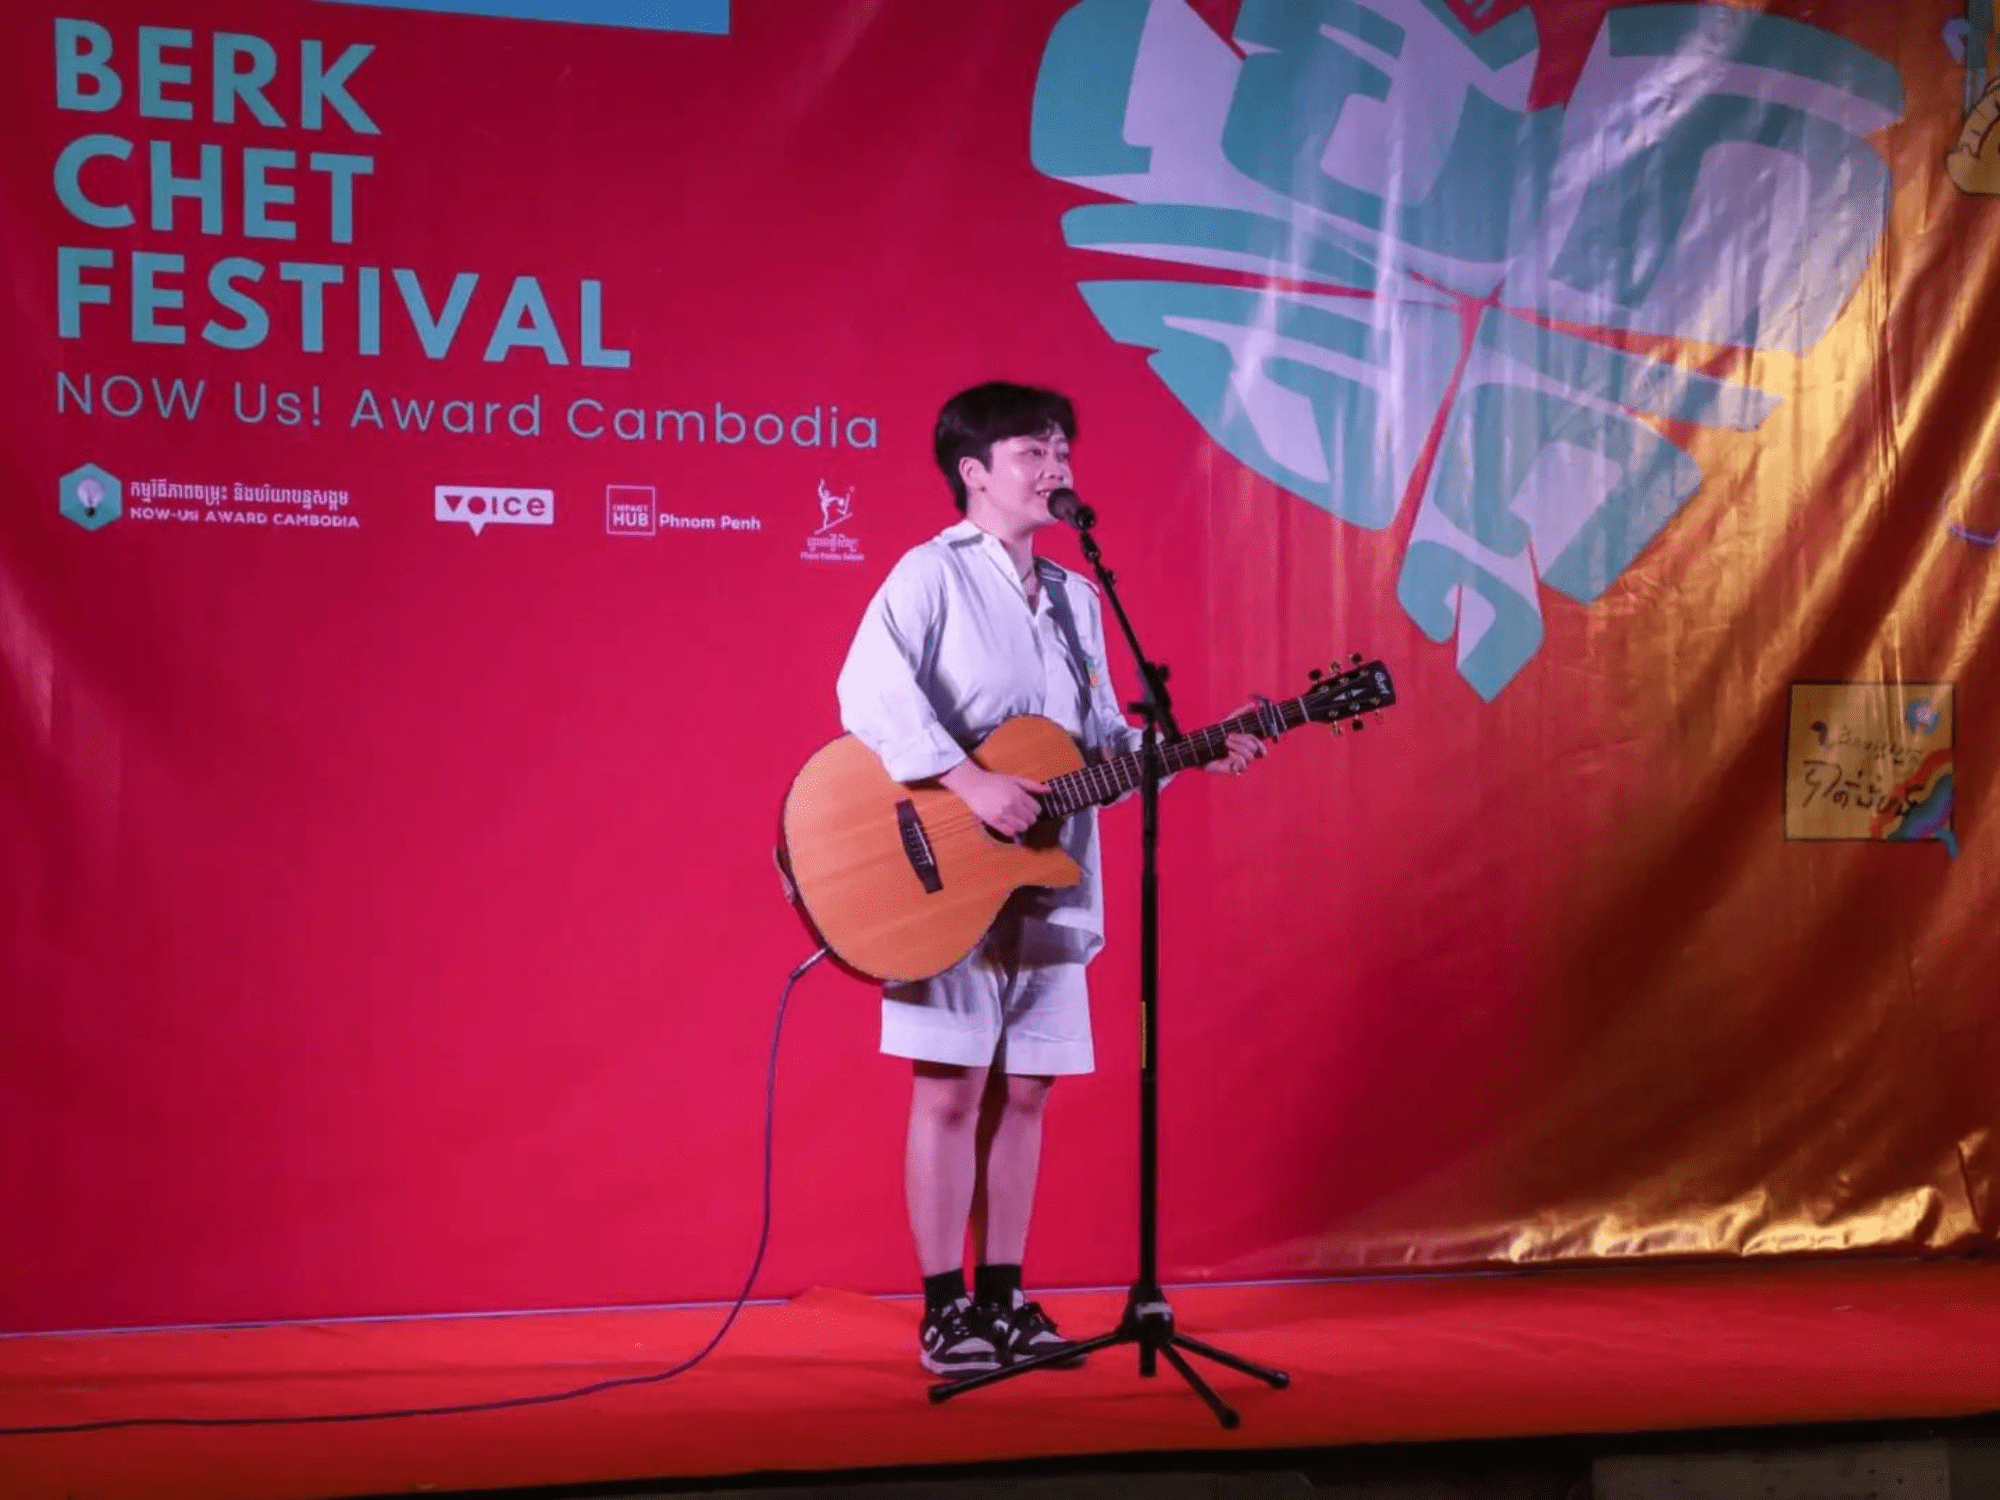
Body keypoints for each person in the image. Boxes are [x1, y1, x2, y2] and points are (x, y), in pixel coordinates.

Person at [834, 380, 1269, 1376]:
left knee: (1026, 1088)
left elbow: (1097, 745)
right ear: (972, 473)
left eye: (1061, 448)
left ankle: (1005, 1294)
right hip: (942, 870)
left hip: (1049, 876)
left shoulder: (1078, 597)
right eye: (1032, 451)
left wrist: (1192, 747)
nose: (1055, 465)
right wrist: (967, 780)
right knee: (949, 1089)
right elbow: (868, 691)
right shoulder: (925, 574)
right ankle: (944, 1310)